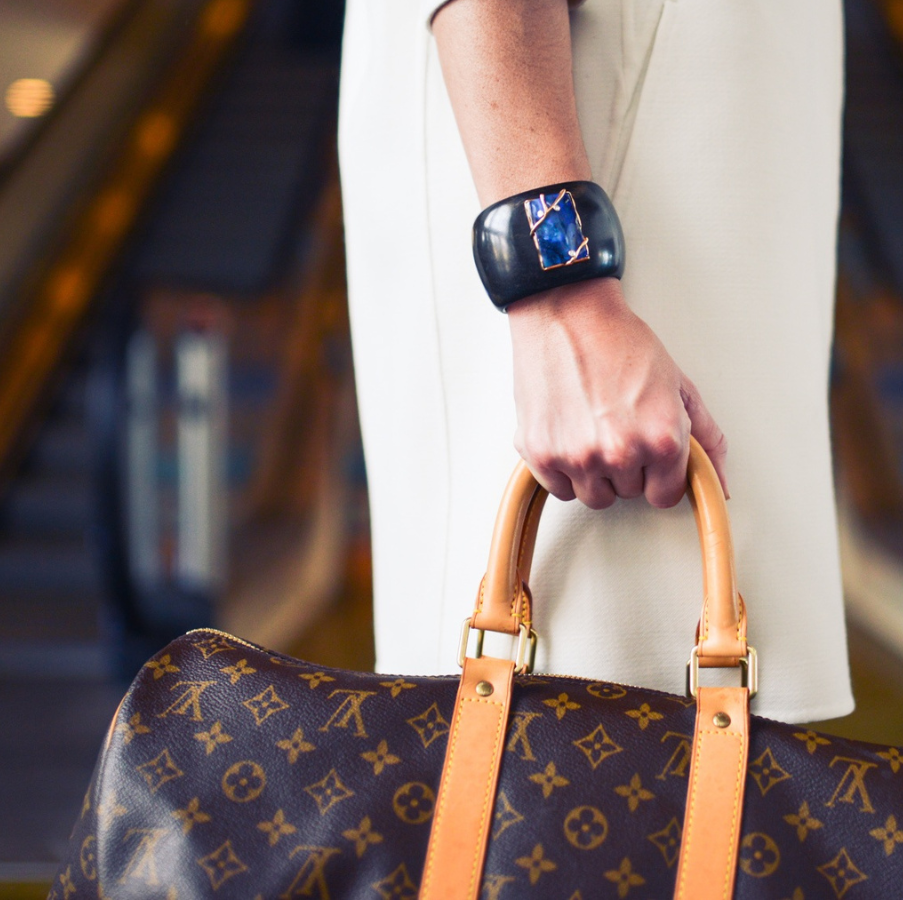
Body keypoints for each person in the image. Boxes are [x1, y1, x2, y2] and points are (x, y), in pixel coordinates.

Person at [338, 0, 852, 722]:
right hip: (604, 265)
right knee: (571, 746)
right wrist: (559, 295)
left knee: (710, 763)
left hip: (698, 249)